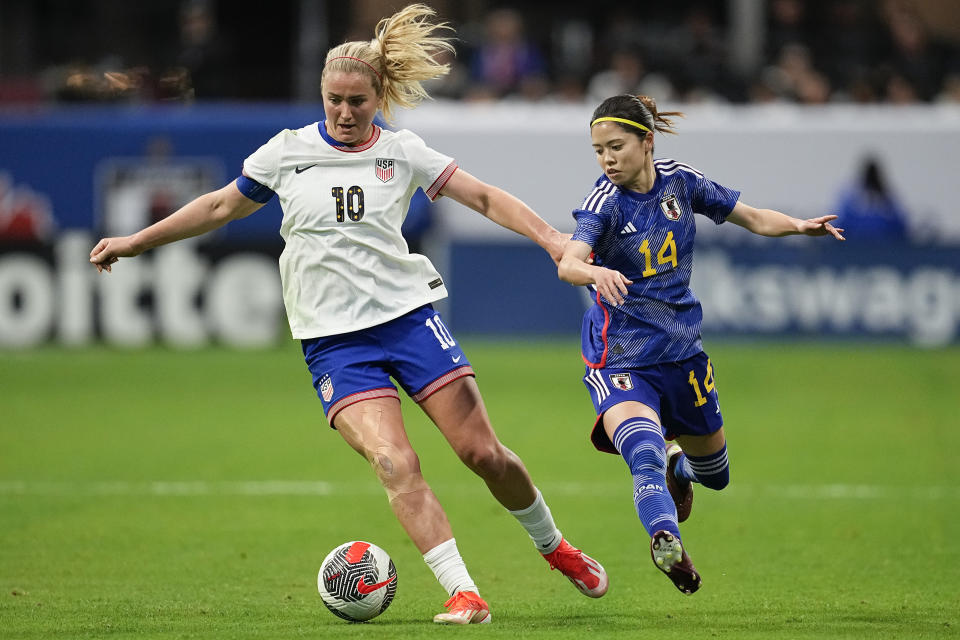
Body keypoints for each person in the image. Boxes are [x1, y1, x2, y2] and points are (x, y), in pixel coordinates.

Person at [89, 4, 607, 625]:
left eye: (357, 100)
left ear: (379, 96)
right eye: (334, 98)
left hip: (409, 321)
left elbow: (486, 197)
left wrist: (553, 240)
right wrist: (136, 240)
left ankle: (557, 549)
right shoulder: (286, 152)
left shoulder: (404, 150)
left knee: (483, 455)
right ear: (322, 93)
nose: (343, 111)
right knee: (395, 462)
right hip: (334, 343)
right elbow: (218, 207)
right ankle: (465, 593)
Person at [557, 94, 844, 595]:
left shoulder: (681, 183)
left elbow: (751, 217)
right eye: (598, 149)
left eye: (616, 146)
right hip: (619, 356)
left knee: (716, 475)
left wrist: (798, 226)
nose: (607, 159)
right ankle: (665, 538)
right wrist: (594, 270)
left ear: (647, 142)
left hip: (683, 352)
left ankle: (680, 467)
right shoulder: (604, 202)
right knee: (642, 451)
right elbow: (569, 262)